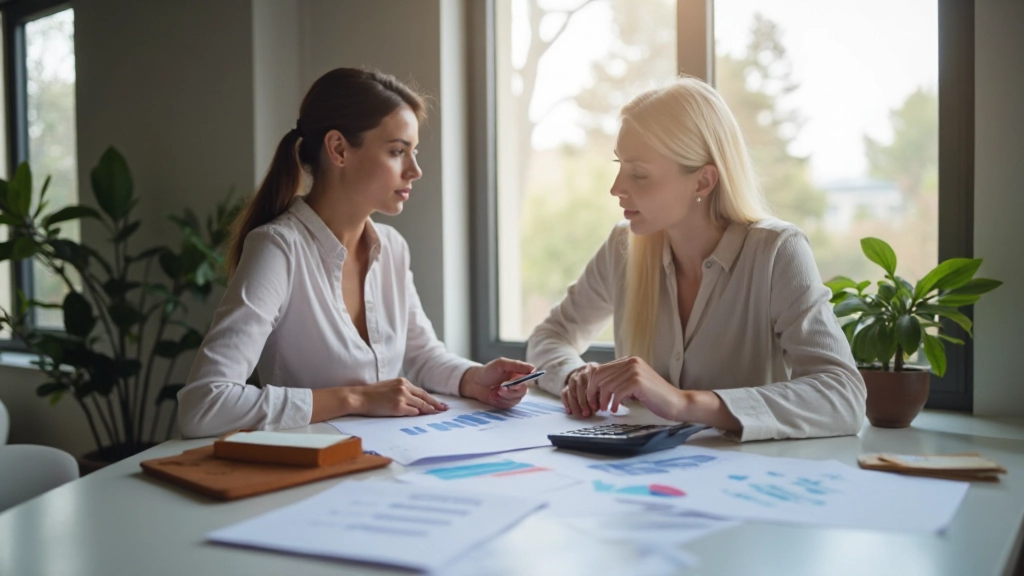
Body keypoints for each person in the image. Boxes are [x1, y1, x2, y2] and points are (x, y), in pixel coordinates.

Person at [178, 68, 533, 438]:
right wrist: (354, 398)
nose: (415, 170)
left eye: (413, 152)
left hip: (385, 465)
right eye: (398, 151)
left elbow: (422, 356)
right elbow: (204, 404)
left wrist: (475, 378)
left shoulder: (393, 248)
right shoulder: (278, 250)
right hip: (311, 476)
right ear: (339, 149)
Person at [526, 77, 866, 441]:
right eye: (620, 165)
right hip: (640, 479)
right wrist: (574, 376)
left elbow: (842, 396)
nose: (616, 188)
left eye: (639, 173)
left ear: (703, 182)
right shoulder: (621, 247)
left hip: (747, 482)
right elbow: (550, 337)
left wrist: (683, 402)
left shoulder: (777, 251)